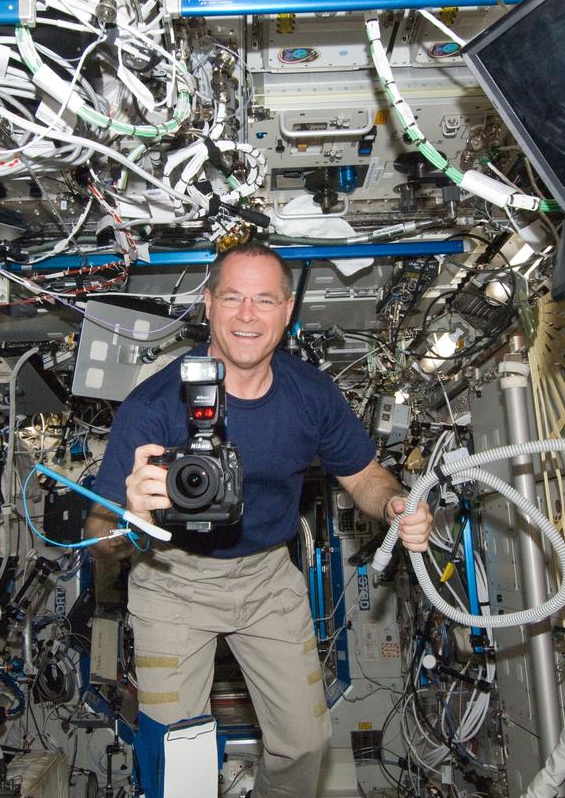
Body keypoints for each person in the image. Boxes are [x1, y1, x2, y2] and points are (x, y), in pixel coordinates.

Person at [85, 241, 433, 798]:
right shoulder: (153, 405)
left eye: (264, 300)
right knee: (178, 756)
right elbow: (99, 535)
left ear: (288, 311)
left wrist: (396, 504)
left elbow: (365, 475)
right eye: (232, 298)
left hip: (267, 577)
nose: (247, 315)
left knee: (305, 744)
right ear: (208, 303)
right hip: (174, 578)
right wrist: (130, 518)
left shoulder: (310, 394)